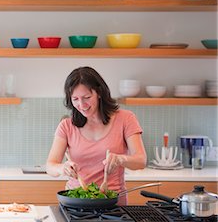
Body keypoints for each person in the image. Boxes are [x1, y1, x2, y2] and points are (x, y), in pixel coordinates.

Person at [46, 66, 146, 205]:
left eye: (87, 97)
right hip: (76, 203)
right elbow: (50, 166)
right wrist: (62, 168)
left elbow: (141, 161)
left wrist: (120, 159)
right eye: (75, 99)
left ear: (99, 92)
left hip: (113, 203)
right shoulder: (66, 126)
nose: (81, 105)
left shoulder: (125, 119)